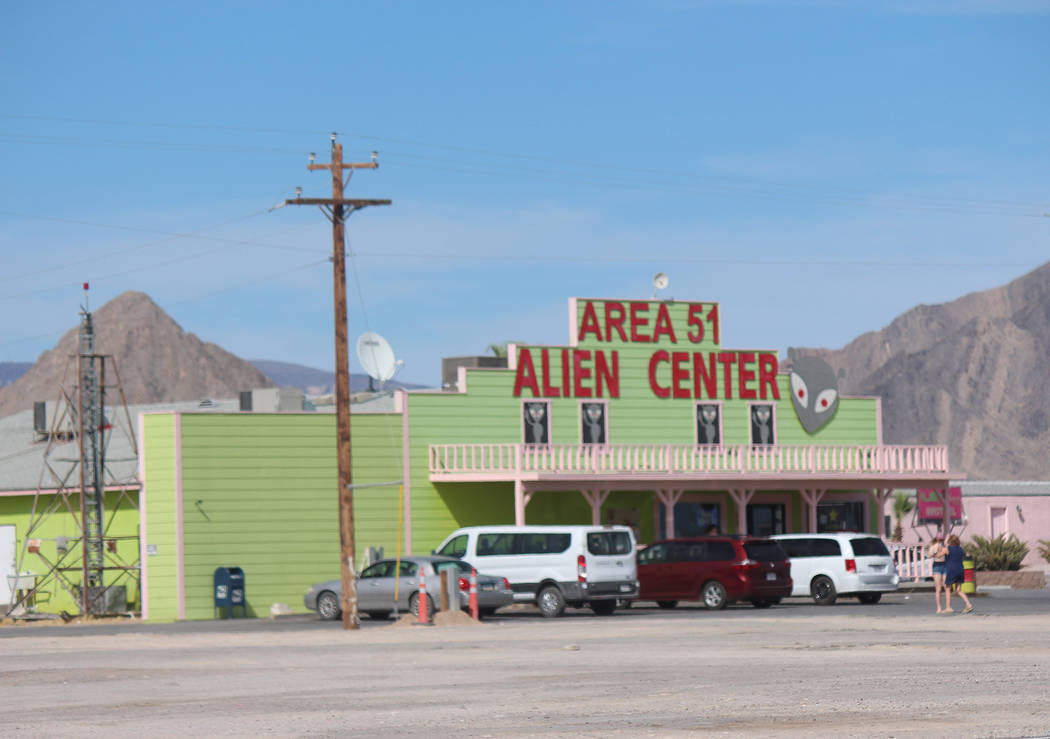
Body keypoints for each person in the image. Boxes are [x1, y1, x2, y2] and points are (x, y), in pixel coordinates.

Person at [943, 534, 974, 614]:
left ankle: (948, 607)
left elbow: (938, 555)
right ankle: (968, 604)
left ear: (949, 541)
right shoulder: (960, 549)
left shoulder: (947, 549)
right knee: (958, 590)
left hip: (951, 570)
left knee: (947, 588)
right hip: (960, 570)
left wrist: (938, 550)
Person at [927, 536, 948, 613]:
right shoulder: (933, 546)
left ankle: (947, 607)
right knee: (938, 589)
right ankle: (939, 608)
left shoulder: (945, 545)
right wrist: (935, 551)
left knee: (946, 587)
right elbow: (929, 556)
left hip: (945, 565)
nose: (941, 541)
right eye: (939, 539)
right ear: (936, 539)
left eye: (942, 539)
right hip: (937, 566)